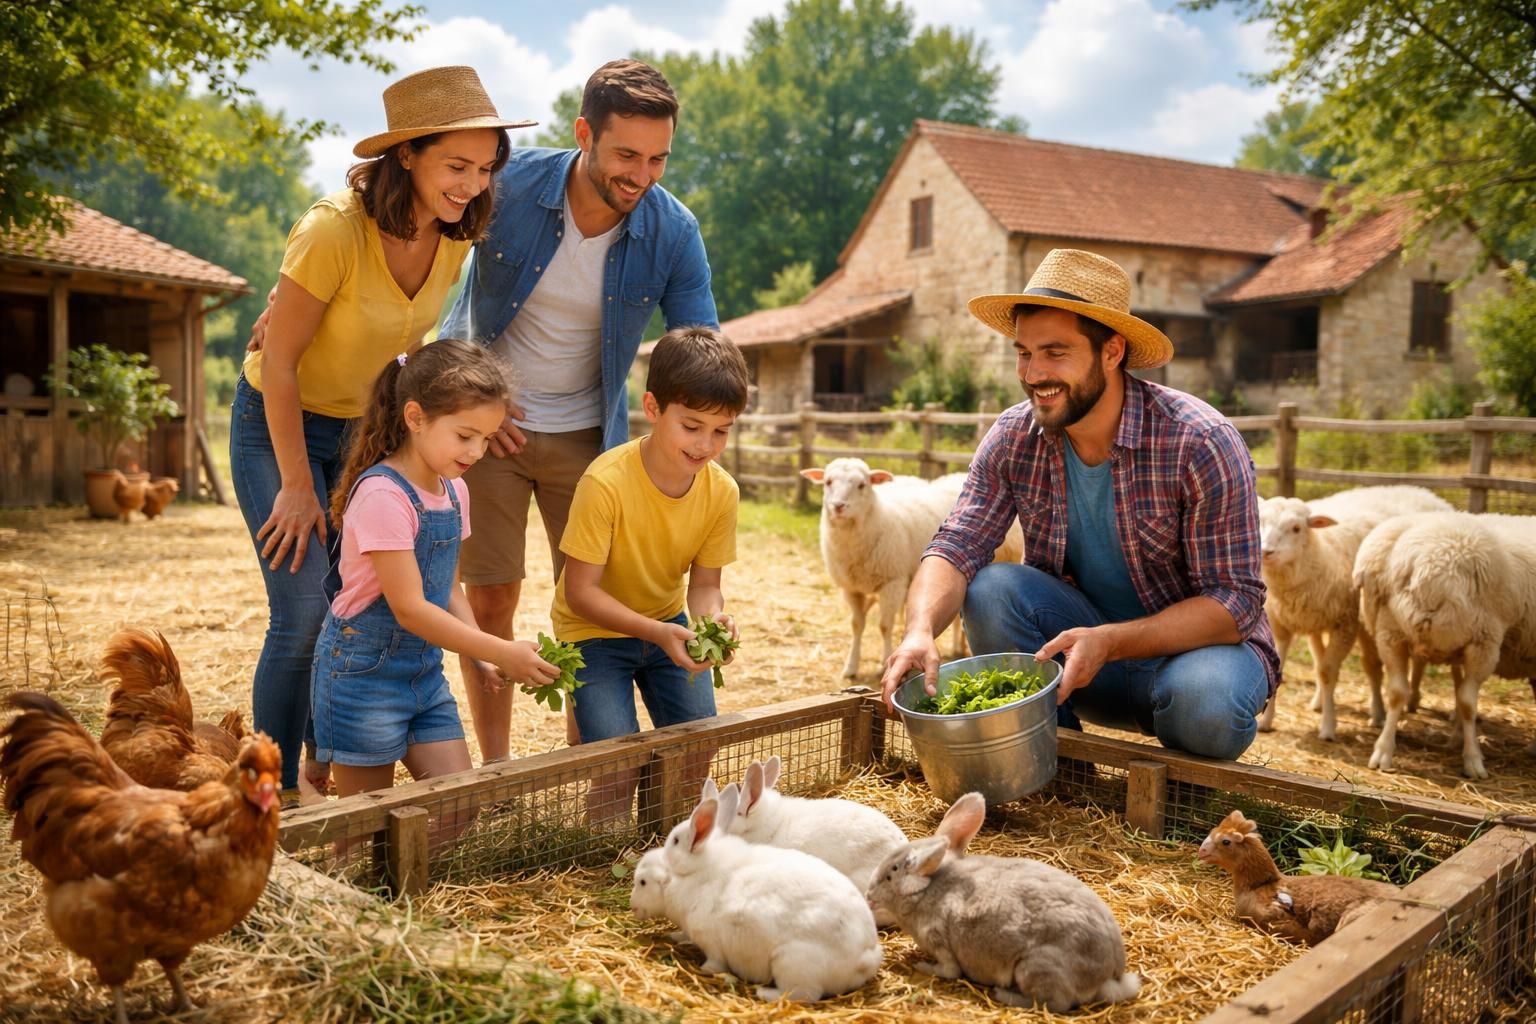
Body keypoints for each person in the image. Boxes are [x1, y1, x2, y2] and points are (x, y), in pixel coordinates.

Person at [231, 65, 533, 795]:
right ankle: (266, 785)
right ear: (407, 154)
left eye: (485, 167)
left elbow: (404, 344)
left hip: (359, 423)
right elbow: (280, 364)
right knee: (302, 613)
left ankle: (317, 769)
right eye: (455, 165)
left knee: (351, 601)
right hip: (282, 420)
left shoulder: (456, 234)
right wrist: (298, 484)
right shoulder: (334, 230)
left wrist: (471, 401)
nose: (470, 183)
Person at [879, 248, 1279, 761]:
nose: (1033, 373)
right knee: (992, 586)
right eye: (1024, 353)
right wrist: (918, 632)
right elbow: (957, 544)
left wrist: (1111, 640)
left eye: (1055, 352)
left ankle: (1179, 792)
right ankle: (1060, 761)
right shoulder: (1013, 437)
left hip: (1193, 660)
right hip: (1077, 662)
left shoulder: (1199, 441)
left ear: (1111, 353)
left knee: (1207, 703)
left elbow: (1236, 601)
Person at [437, 58, 719, 765]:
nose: (642, 174)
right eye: (626, 154)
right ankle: (496, 770)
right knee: (492, 601)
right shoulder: (506, 186)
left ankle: (579, 765)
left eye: (658, 158)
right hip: (489, 431)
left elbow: (700, 352)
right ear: (584, 133)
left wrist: (695, 443)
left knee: (591, 610)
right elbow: (414, 255)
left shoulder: (672, 231)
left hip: (592, 441)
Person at [310, 339, 559, 805]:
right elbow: (409, 610)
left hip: (422, 674)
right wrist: (502, 651)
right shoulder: (384, 494)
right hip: (362, 673)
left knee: (459, 808)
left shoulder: (454, 491)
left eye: (486, 438)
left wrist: (480, 655)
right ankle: (309, 794)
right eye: (465, 436)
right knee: (361, 835)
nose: (478, 451)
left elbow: (446, 589)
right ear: (415, 418)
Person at [551, 326, 748, 820]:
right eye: (692, 425)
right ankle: (605, 853)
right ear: (654, 408)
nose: (706, 444)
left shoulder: (721, 492)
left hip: (667, 624)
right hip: (591, 634)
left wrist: (709, 624)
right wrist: (661, 633)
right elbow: (580, 594)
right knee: (619, 761)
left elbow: (704, 586)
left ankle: (665, 842)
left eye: (721, 430)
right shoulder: (605, 482)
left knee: (698, 746)